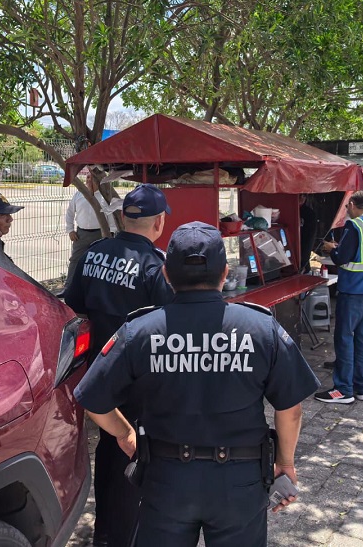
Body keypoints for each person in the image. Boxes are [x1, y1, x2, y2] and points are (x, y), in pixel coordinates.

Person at [74, 221, 320, 547]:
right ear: (225, 273)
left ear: (165, 274)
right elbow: (289, 407)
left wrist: (125, 434)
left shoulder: (139, 330)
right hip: (240, 483)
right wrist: (285, 463)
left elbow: (94, 399)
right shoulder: (262, 329)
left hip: (166, 480)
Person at [63, 183, 175, 547]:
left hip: (98, 372)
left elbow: (73, 305)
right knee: (136, 452)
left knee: (110, 451)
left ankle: (106, 530)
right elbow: (167, 326)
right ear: (159, 222)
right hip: (138, 380)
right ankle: (123, 535)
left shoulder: (93, 253)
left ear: (123, 217)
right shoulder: (155, 266)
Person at [315, 190, 363, 404]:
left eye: (349, 207)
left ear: (353, 205)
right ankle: (362, 388)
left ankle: (343, 390)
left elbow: (341, 258)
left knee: (344, 338)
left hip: (354, 289)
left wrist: (331, 249)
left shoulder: (354, 225)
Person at [64, 170, 104, 288]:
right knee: (75, 260)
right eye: (87, 178)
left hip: (99, 234)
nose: (88, 181)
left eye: (92, 178)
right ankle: (68, 287)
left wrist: (109, 234)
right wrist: (70, 230)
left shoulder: (103, 197)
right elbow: (70, 213)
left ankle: (94, 289)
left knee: (98, 263)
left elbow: (110, 217)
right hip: (81, 234)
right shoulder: (78, 195)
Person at [299, 194, 318, 274]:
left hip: (303, 251)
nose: (301, 198)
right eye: (300, 196)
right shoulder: (288, 210)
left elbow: (310, 238)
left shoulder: (309, 214)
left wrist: (304, 262)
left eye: (303, 196)